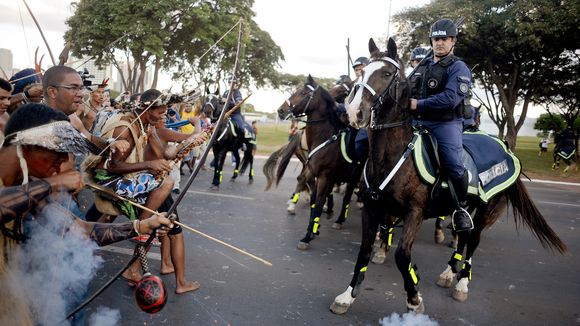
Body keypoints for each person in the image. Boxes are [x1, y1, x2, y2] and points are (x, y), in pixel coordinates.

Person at [0, 103, 174, 325]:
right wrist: (53, 182)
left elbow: (79, 230)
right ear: (26, 147)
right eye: (59, 151)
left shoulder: (31, 188)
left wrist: (140, 227)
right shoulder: (36, 186)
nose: (65, 161)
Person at [409, 18, 474, 232]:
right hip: (418, 121)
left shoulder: (459, 67)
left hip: (445, 123)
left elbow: (449, 99)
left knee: (453, 163)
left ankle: (460, 208)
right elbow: (406, 90)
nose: (439, 43)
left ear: (453, 41)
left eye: (444, 39)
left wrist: (417, 104)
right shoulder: (423, 66)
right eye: (436, 39)